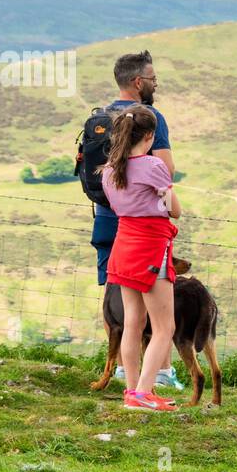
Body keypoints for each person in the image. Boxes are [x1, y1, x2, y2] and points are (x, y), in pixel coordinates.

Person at [91, 49, 184, 390]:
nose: (155, 84)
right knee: (161, 316)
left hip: (108, 221)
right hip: (146, 232)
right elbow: (168, 181)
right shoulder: (149, 117)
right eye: (153, 79)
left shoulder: (101, 117)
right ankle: (157, 376)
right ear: (138, 81)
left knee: (120, 307)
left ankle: (123, 376)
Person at [100, 105, 181, 412]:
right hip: (150, 246)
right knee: (164, 327)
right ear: (149, 136)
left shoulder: (109, 170)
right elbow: (174, 209)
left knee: (133, 322)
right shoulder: (153, 166)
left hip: (123, 245)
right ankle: (144, 394)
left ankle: (132, 390)